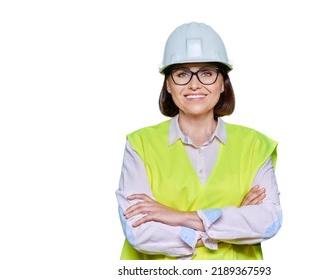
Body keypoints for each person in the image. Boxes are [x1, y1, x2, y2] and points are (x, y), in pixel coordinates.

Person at [115, 22, 282, 260]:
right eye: (182, 74)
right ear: (169, 85)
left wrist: (179, 217)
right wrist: (232, 221)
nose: (194, 84)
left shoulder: (255, 145)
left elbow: (268, 222)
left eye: (206, 73)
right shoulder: (140, 143)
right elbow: (139, 231)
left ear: (223, 83)